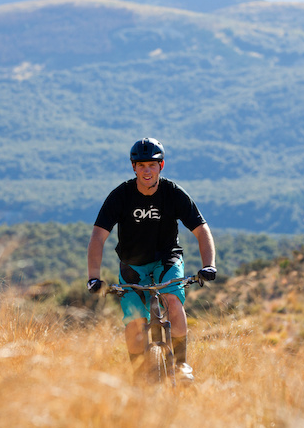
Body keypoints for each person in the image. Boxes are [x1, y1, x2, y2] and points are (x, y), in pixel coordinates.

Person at [86, 137, 217, 383]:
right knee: (135, 324)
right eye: (141, 165)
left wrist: (209, 264)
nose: (147, 171)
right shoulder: (120, 196)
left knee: (173, 302)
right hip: (132, 265)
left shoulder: (173, 193)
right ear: (133, 167)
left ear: (161, 166)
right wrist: (93, 277)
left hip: (167, 259)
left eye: (152, 165)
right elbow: (97, 237)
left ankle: (181, 364)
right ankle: (139, 376)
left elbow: (201, 230)